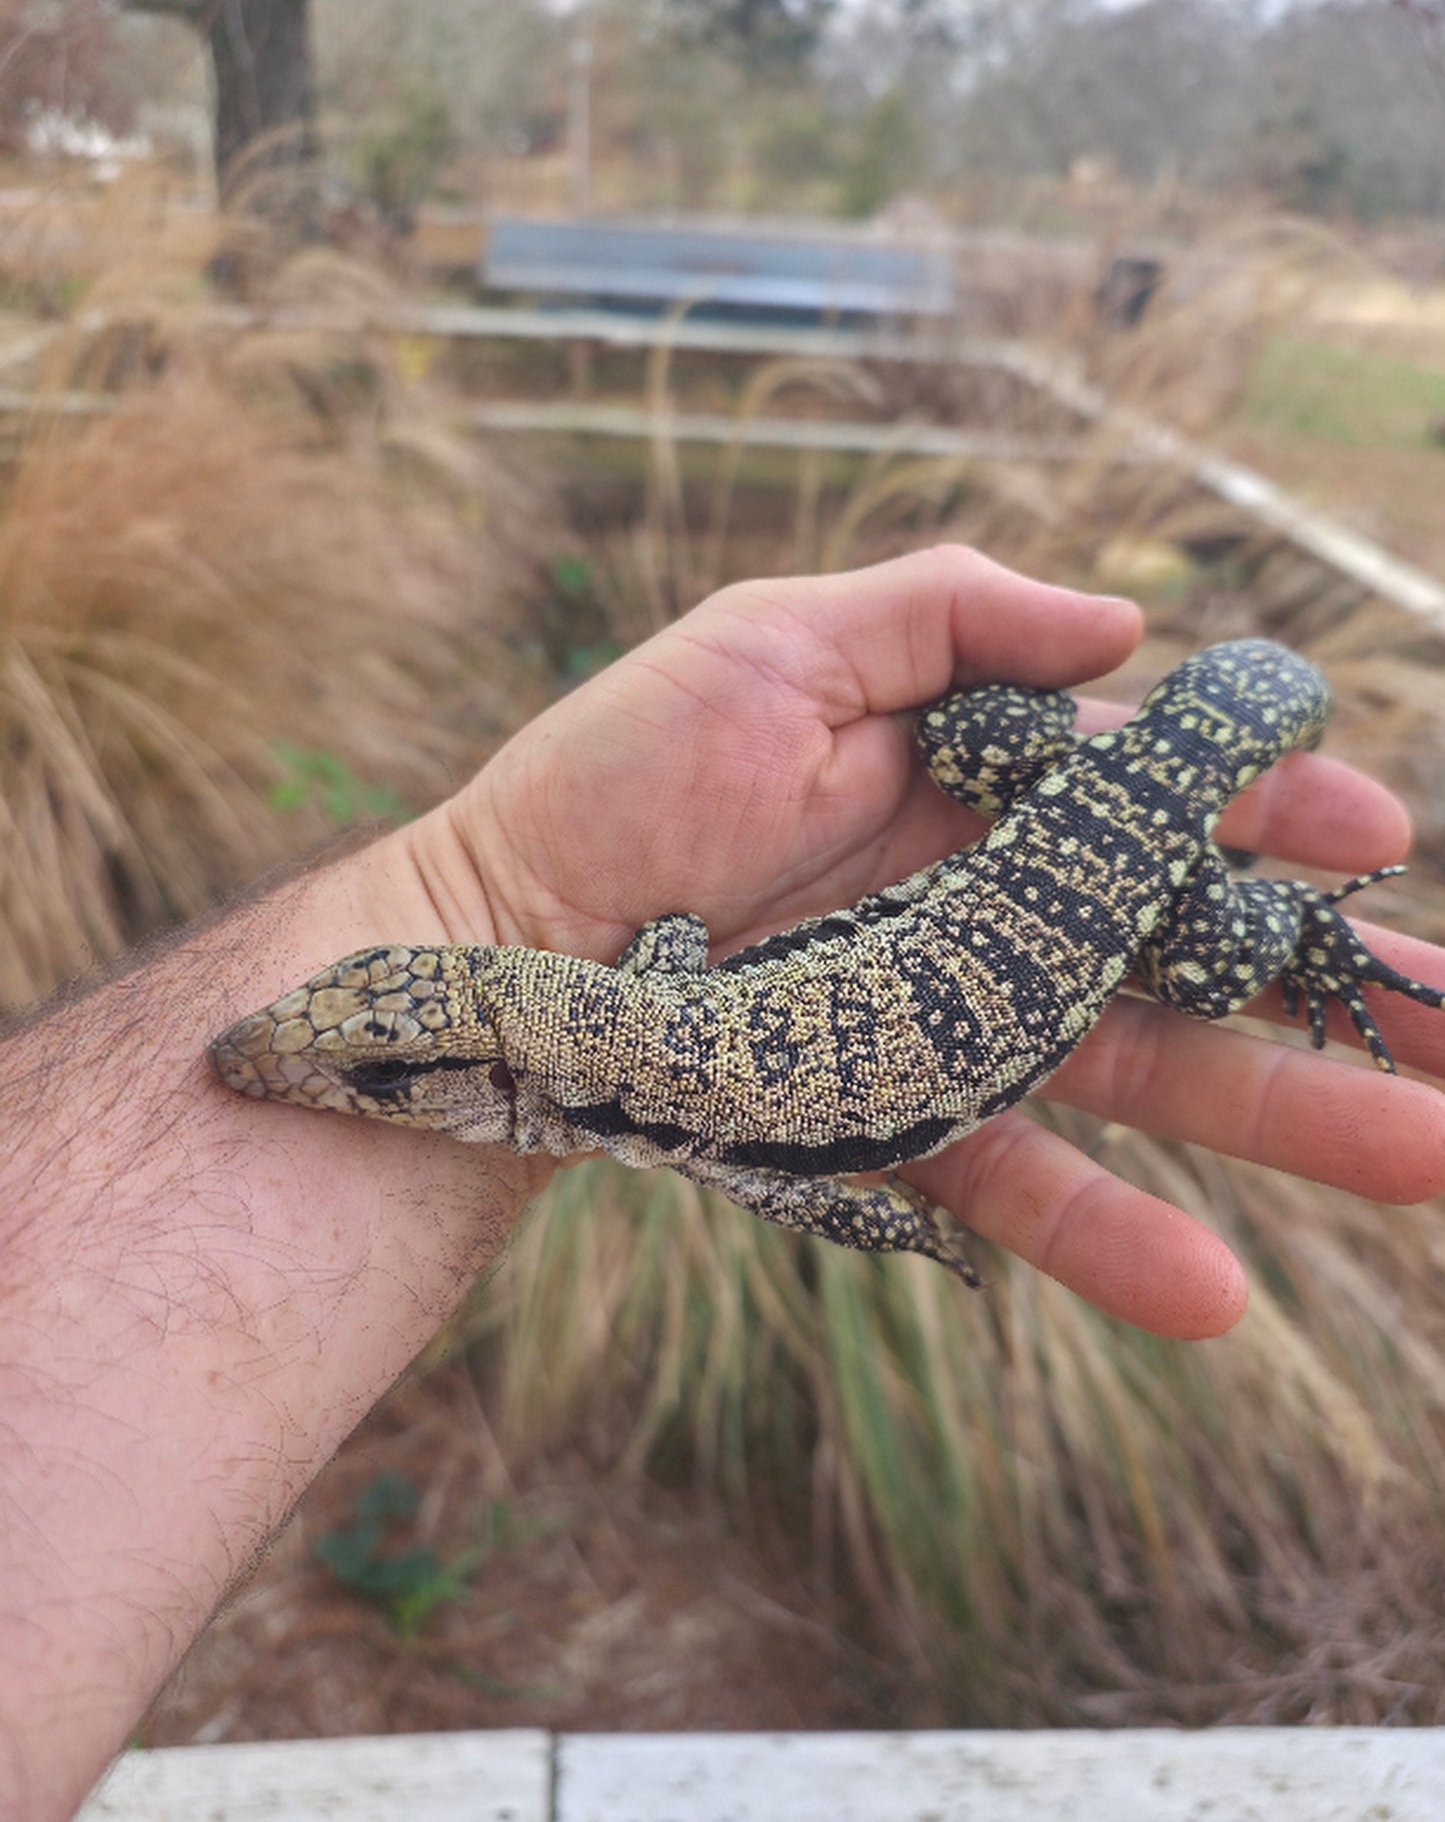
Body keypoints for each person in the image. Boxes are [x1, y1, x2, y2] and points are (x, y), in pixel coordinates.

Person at [2, 546, 1442, 1820]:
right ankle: (1244, 892)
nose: (268, 1058)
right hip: (1080, 800)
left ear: (527, 1067)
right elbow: (693, 955)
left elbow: (816, 1184)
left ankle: (1297, 935)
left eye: (380, 1065)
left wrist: (877, 1217)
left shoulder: (676, 1109)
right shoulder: (652, 1048)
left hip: (1126, 848)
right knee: (973, 742)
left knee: (1196, 971)